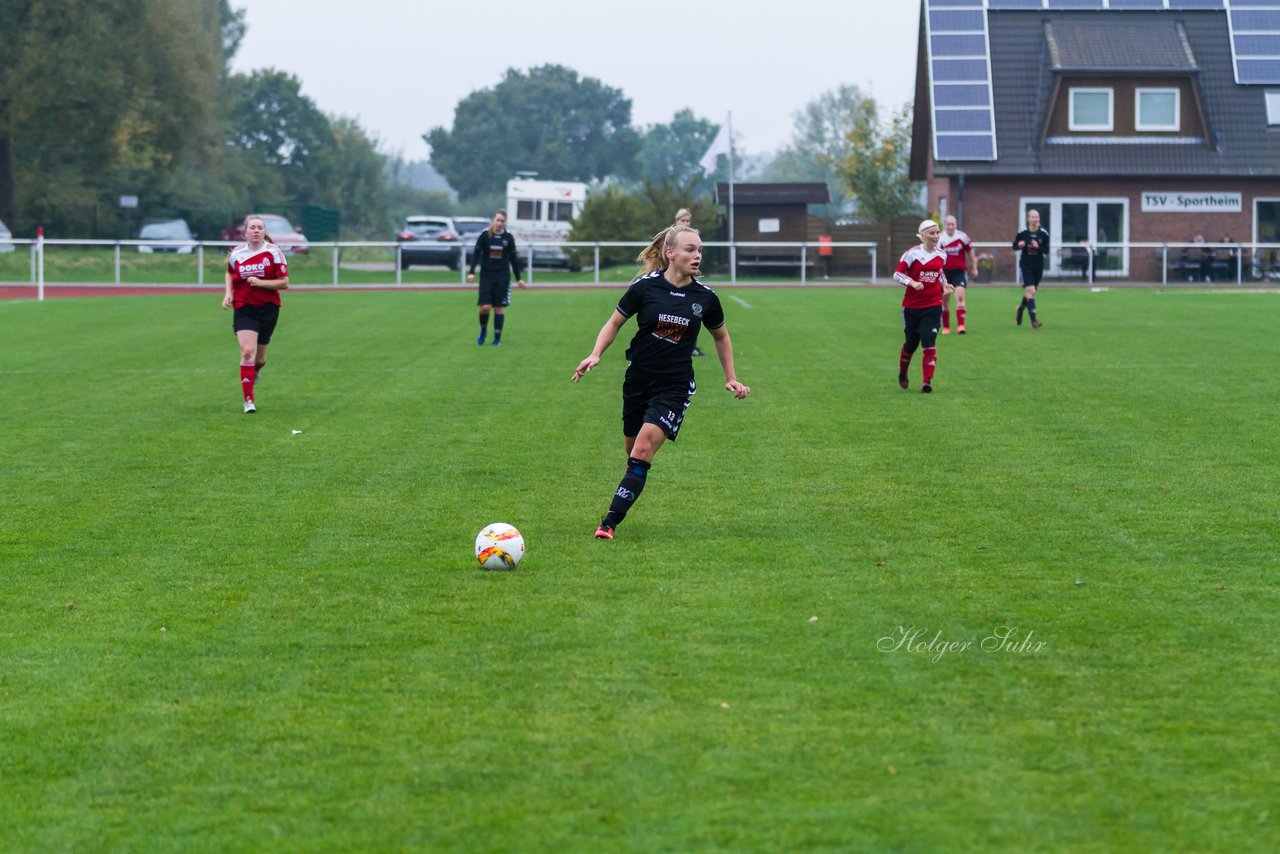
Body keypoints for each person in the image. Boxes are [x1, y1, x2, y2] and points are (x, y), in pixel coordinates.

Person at [571, 224, 750, 540]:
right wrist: (595, 353)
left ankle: (608, 523)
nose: (697, 256)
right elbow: (614, 323)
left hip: (675, 386)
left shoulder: (705, 298)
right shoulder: (645, 287)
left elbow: (721, 337)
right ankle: (627, 491)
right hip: (638, 379)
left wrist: (731, 378)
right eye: (690, 250)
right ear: (670, 253)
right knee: (632, 453)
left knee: (641, 450)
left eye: (699, 251)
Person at [222, 215, 289, 414]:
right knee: (247, 352)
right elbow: (229, 272)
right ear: (245, 232)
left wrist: (261, 283)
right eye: (252, 227)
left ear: (264, 231)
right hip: (244, 307)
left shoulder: (273, 252)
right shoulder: (237, 253)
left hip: (268, 307)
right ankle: (248, 400)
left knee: (259, 359)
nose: (256, 230)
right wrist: (228, 293)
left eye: (260, 227)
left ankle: (256, 371)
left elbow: (284, 282)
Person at [894, 219, 954, 393]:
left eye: (937, 232)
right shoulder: (912, 254)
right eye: (931, 233)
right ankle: (903, 372)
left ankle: (927, 382)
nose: (935, 236)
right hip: (912, 307)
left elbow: (939, 272)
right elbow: (897, 274)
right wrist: (912, 282)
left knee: (929, 341)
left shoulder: (942, 254)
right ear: (922, 236)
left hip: (933, 305)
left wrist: (944, 284)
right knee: (911, 344)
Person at [466, 209, 525, 346]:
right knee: (485, 307)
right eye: (497, 220)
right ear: (493, 219)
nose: (499, 223)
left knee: (498, 308)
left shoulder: (508, 238)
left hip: (502, 277)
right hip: (487, 276)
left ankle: (497, 339)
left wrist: (519, 278)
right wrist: (471, 272)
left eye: (502, 221)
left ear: (505, 223)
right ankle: (483, 331)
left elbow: (513, 260)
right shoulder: (485, 236)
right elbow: (476, 254)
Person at [938, 215, 977, 334]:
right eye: (948, 224)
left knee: (960, 296)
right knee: (945, 300)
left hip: (959, 272)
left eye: (952, 224)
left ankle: (961, 326)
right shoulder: (940, 238)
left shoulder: (962, 237)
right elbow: (936, 256)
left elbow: (970, 252)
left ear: (956, 225)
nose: (950, 226)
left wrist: (974, 267)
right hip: (944, 273)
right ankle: (946, 327)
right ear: (945, 225)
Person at [1012, 209, 1048, 329]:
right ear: (1028, 219)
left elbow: (1046, 251)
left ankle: (1020, 309)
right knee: (1031, 290)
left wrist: (1038, 247)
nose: (1035, 219)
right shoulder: (1022, 233)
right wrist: (1020, 245)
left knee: (1031, 293)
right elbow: (1014, 246)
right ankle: (1034, 321)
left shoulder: (1043, 233)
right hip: (1026, 265)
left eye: (1037, 217)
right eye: (1032, 217)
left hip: (1038, 266)